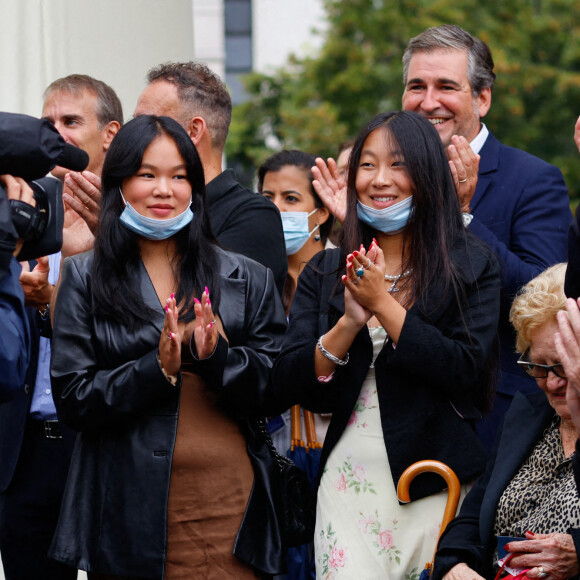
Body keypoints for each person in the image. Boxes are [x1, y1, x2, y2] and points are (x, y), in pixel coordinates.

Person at [48, 115, 287, 578]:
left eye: (179, 176)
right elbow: (74, 399)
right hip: (126, 511)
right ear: (119, 183)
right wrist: (154, 369)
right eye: (147, 174)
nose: (164, 189)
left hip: (231, 508)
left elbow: (275, 387)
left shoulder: (247, 277)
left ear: (195, 188)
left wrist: (217, 356)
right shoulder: (83, 276)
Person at [272, 110, 500, 578]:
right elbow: (298, 381)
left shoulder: (469, 262)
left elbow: (464, 370)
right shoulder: (326, 268)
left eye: (398, 165)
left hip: (436, 481)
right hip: (347, 481)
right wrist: (349, 324)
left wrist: (385, 304)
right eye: (368, 165)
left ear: (427, 174)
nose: (380, 180)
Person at [401, 24, 572, 451]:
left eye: (446, 86)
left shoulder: (533, 180)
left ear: (482, 98)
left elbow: (540, 302)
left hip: (490, 427)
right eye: (416, 86)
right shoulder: (386, 181)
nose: (428, 102)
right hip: (397, 424)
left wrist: (463, 218)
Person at [0, 75, 123, 580]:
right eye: (47, 124)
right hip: (21, 449)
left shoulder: (136, 216)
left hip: (96, 444)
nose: (56, 135)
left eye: (71, 121)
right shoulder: (20, 211)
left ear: (110, 134)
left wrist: (73, 280)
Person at [433, 263, 580, 580]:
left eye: (562, 365)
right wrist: (455, 566)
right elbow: (470, 520)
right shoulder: (528, 416)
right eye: (538, 366)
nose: (551, 382)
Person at [134, 61, 287, 295]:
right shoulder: (137, 208)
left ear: (193, 131)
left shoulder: (252, 216)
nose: (135, 136)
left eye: (148, 123)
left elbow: (217, 309)